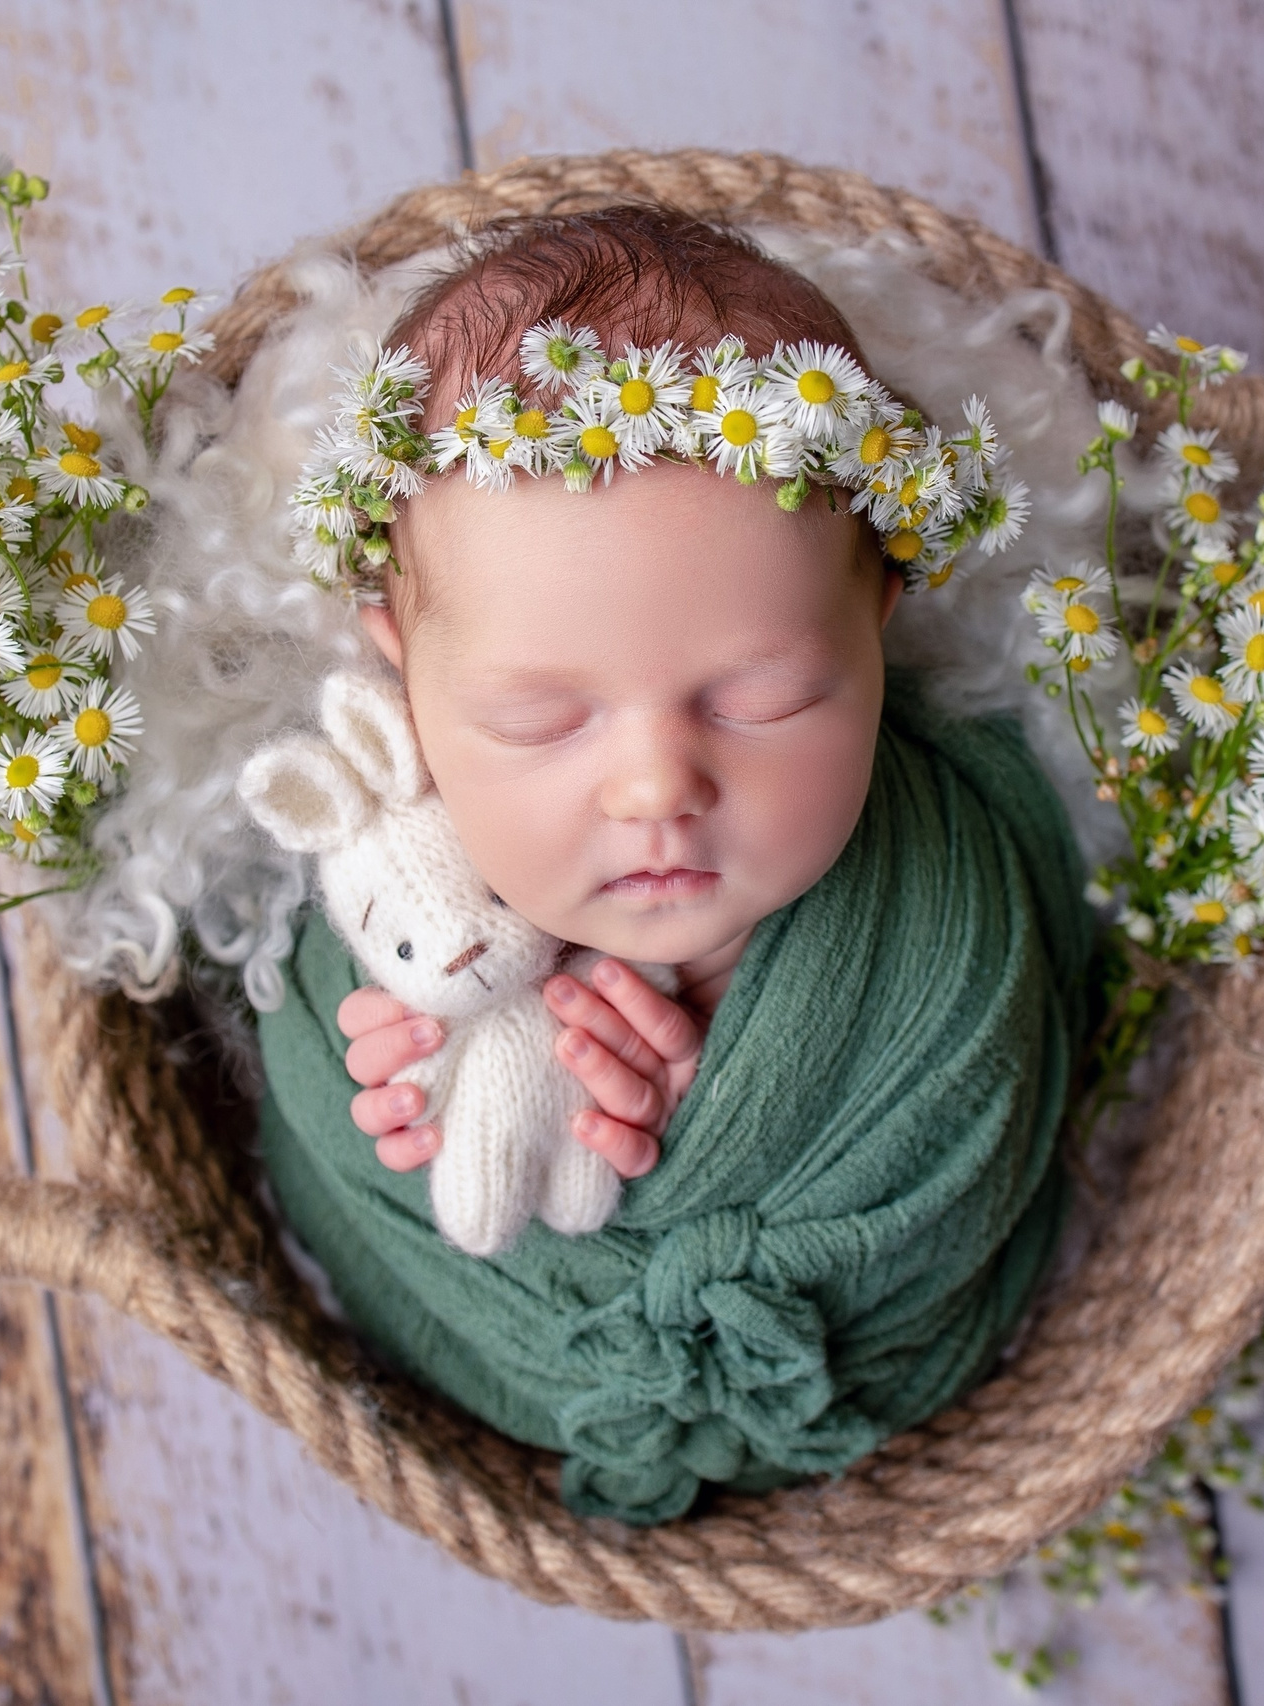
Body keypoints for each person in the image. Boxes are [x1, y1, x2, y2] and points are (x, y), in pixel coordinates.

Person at [252, 207, 1094, 1523]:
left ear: (880, 615)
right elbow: (314, 1070)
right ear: (400, 676)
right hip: (493, 1337)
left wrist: (734, 1105)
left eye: (761, 698)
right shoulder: (399, 853)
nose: (656, 785)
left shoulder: (932, 901)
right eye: (541, 719)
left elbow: (979, 1070)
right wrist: (416, 1084)